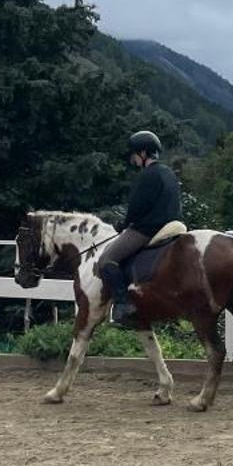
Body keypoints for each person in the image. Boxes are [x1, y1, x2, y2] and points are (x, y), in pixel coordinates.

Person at [98, 130, 181, 327]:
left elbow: (136, 209)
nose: (133, 159)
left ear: (143, 153)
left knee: (106, 259)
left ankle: (122, 305)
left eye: (134, 154)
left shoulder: (147, 176)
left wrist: (122, 225)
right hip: (173, 226)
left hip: (148, 229)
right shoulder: (168, 173)